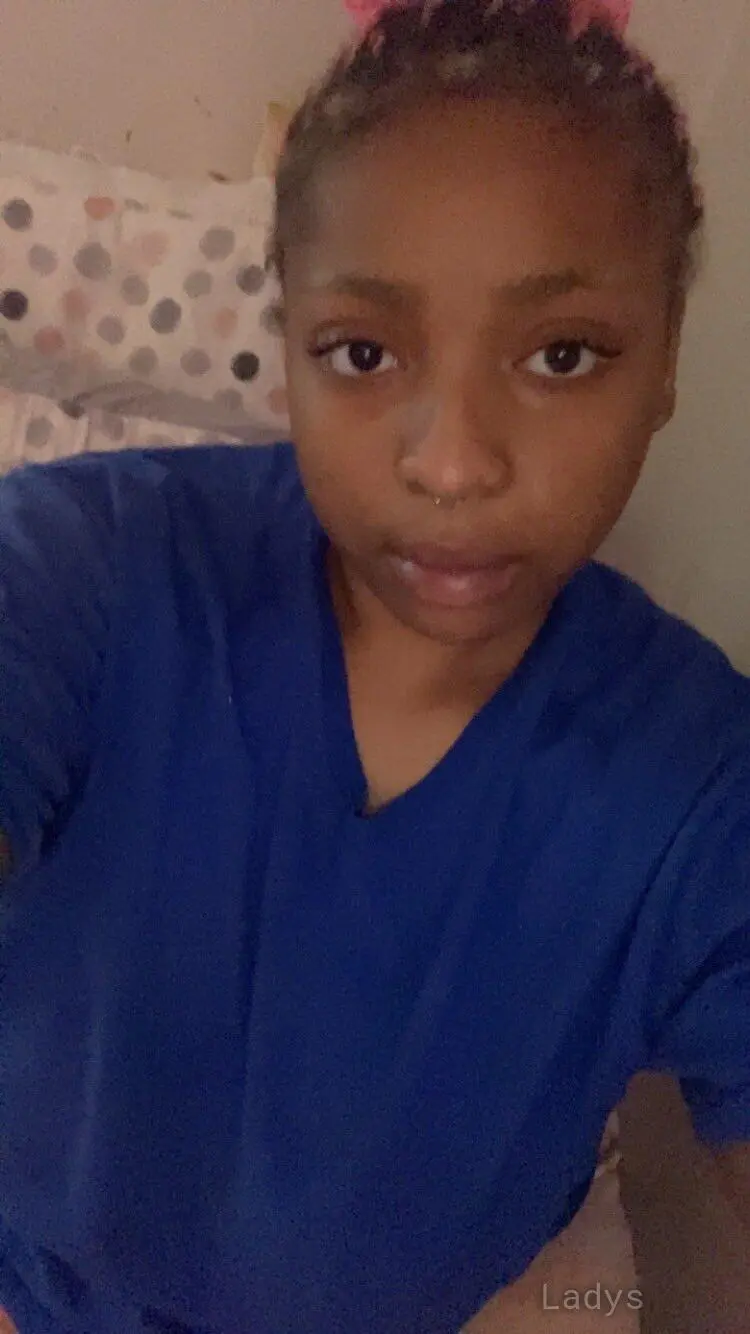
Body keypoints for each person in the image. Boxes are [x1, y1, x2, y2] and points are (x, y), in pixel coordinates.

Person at [1, 1, 749, 1330]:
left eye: (560, 355)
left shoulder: (698, 785)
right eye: (362, 353)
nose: (451, 461)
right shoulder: (91, 568)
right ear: (289, 345)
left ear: (665, 366)